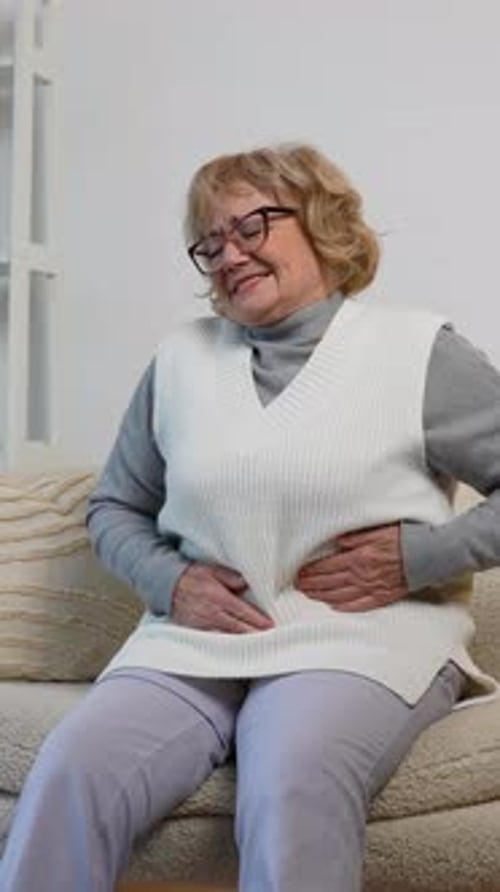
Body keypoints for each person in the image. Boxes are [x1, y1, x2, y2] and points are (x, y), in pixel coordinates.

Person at [1, 143, 499, 892]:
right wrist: (174, 583)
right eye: (209, 243)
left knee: (292, 779)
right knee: (72, 774)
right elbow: (115, 508)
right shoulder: (179, 362)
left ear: (323, 221)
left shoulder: (417, 351)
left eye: (251, 227)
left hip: (360, 641)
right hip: (192, 644)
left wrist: (418, 557)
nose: (228, 254)